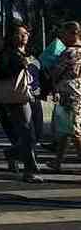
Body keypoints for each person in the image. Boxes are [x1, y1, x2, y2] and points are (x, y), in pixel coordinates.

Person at [0, 22, 42, 183]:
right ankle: (30, 170)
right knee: (27, 133)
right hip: (16, 97)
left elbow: (37, 73)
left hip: (33, 95)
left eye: (26, 33)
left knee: (35, 134)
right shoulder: (7, 54)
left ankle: (12, 153)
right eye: (20, 34)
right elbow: (0, 73)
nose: (24, 36)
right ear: (12, 36)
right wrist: (20, 65)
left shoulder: (29, 52)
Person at [47, 21, 81, 171]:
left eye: (64, 33)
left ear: (74, 33)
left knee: (73, 130)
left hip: (70, 94)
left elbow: (55, 72)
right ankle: (57, 162)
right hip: (76, 93)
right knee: (65, 130)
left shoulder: (69, 52)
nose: (62, 37)